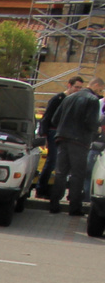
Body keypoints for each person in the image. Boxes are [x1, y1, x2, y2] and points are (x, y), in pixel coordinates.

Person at [49, 77, 103, 215]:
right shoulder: (92, 100)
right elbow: (90, 122)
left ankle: (54, 205)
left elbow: (55, 119)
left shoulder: (69, 98)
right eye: (100, 89)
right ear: (96, 85)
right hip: (79, 141)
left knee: (60, 173)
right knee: (77, 175)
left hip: (62, 138)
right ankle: (74, 208)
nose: (100, 92)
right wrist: (97, 129)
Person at [39, 76, 85, 198]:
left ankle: (52, 190)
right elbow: (47, 117)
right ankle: (41, 188)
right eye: (76, 87)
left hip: (66, 135)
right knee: (52, 161)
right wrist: (44, 135)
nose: (78, 90)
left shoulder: (76, 100)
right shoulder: (58, 99)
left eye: (80, 88)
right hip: (54, 132)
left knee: (61, 164)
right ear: (69, 85)